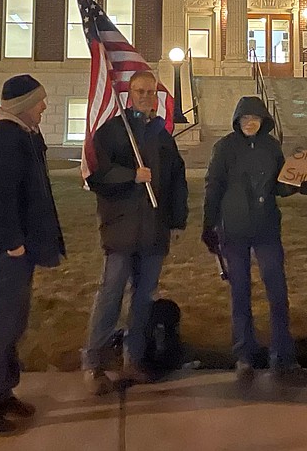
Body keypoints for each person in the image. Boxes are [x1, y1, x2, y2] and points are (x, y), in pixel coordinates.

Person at [0, 75, 65, 437]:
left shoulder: (21, 133)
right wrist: (12, 242)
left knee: (12, 324)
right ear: (24, 103)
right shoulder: (4, 136)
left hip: (16, 246)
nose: (44, 106)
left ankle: (1, 393)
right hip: (4, 249)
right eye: (40, 101)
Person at [81, 69, 189, 395]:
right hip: (121, 231)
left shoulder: (162, 136)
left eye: (150, 91)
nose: (144, 96)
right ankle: (94, 363)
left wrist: (177, 220)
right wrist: (132, 175)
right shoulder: (114, 132)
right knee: (111, 296)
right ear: (129, 95)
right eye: (139, 91)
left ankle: (134, 358)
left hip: (154, 232)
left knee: (143, 299)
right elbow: (97, 175)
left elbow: (176, 181)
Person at [202, 96, 307, 387]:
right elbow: (213, 185)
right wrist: (209, 224)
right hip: (234, 229)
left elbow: (279, 185)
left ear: (263, 121)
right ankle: (244, 356)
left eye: (255, 118)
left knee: (277, 292)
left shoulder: (271, 147)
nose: (250, 123)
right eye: (245, 118)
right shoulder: (224, 147)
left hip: (265, 228)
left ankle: (283, 356)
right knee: (240, 294)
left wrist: (300, 186)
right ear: (237, 121)